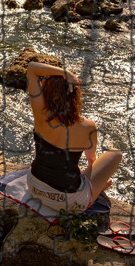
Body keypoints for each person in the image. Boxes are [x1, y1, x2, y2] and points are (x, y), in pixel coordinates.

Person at [26, 61, 122, 214]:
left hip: (35, 187)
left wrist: (65, 73)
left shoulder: (40, 113)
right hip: (69, 203)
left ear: (46, 92)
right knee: (116, 154)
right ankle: (93, 191)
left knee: (70, 167)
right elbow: (91, 161)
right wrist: (91, 182)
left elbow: (32, 68)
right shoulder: (88, 126)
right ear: (75, 96)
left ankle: (93, 187)